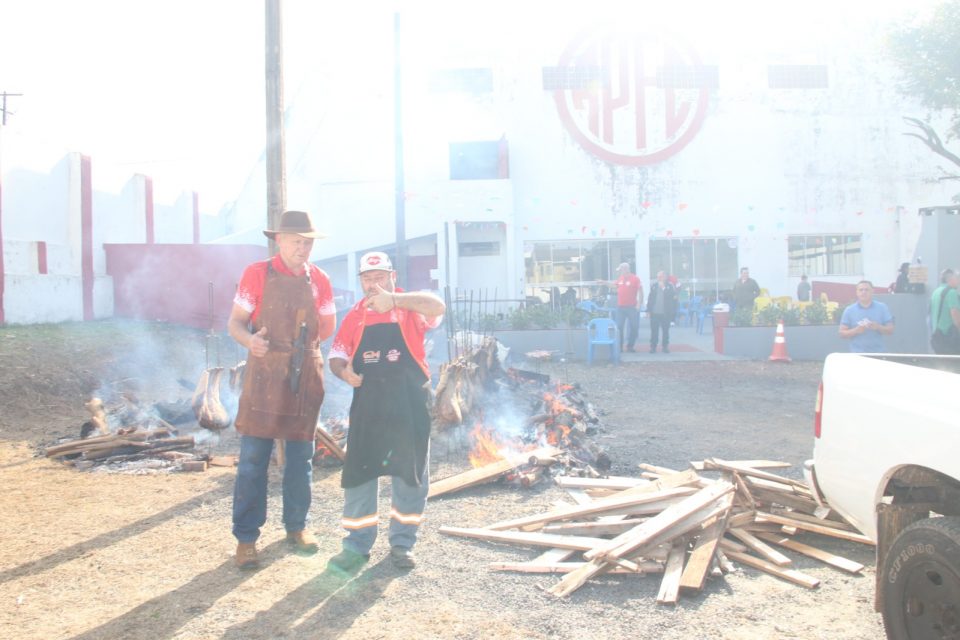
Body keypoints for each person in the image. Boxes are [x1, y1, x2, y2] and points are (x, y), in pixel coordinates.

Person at [226, 210, 336, 569]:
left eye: (307, 243)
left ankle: (297, 527)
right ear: (279, 241)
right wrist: (251, 342)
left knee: (300, 462)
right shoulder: (256, 274)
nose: (302, 248)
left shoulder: (320, 279)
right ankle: (246, 538)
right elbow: (235, 324)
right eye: (296, 242)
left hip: (304, 378)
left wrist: (300, 350)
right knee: (252, 461)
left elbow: (327, 327)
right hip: (264, 376)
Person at [326, 251, 445, 573]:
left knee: (410, 474)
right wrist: (343, 372)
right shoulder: (355, 315)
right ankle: (356, 545)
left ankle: (402, 544)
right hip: (369, 405)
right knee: (360, 473)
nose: (373, 284)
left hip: (410, 403)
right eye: (367, 278)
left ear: (392, 277)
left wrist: (394, 300)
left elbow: (438, 307)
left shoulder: (410, 306)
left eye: (379, 277)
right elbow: (336, 355)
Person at [838, 280, 894, 352]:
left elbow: (890, 330)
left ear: (872, 291)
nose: (863, 292)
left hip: (878, 353)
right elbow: (841, 334)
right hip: (857, 354)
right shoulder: (849, 310)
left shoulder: (882, 307)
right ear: (857, 292)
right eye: (861, 290)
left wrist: (878, 327)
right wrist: (856, 330)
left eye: (867, 290)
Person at [610, 262, 643, 352]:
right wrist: (604, 283)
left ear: (625, 269)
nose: (620, 271)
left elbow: (640, 291)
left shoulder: (635, 278)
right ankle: (620, 346)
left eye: (621, 270)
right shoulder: (620, 278)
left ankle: (630, 346)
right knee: (619, 327)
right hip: (621, 308)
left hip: (632, 307)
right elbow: (614, 285)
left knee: (634, 327)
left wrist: (639, 304)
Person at [929, 268, 960, 355]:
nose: (958, 281)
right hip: (950, 337)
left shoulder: (935, 292)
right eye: (957, 278)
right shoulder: (951, 292)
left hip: (937, 336)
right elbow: (955, 316)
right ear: (950, 279)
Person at [646, 270, 677, 353]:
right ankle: (653, 347)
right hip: (654, 312)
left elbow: (672, 296)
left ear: (665, 277)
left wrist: (663, 288)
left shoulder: (670, 285)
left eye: (660, 277)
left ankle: (665, 346)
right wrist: (648, 310)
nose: (658, 278)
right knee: (654, 331)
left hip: (665, 313)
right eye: (658, 277)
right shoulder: (654, 285)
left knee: (665, 331)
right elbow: (650, 298)